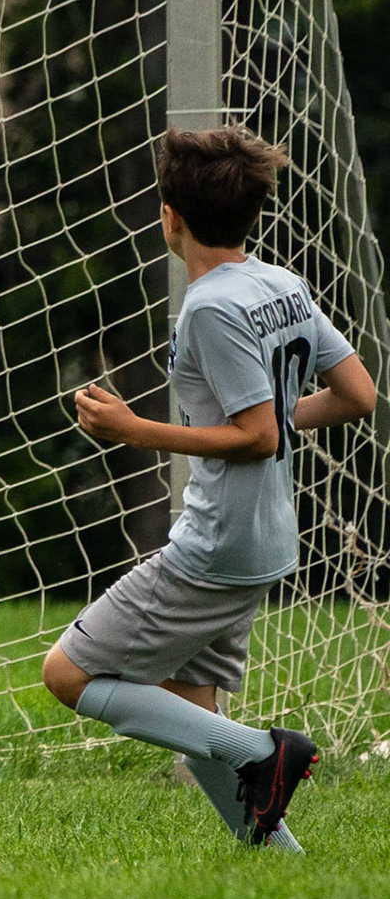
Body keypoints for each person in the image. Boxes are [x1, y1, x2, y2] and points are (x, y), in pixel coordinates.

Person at [44, 126, 376, 847]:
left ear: (171, 217)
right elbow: (356, 394)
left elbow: (256, 436)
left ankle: (268, 751)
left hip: (214, 544)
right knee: (201, 728)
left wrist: (138, 432)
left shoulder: (211, 306)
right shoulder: (280, 284)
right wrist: (275, 419)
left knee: (68, 673)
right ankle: (281, 867)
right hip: (262, 541)